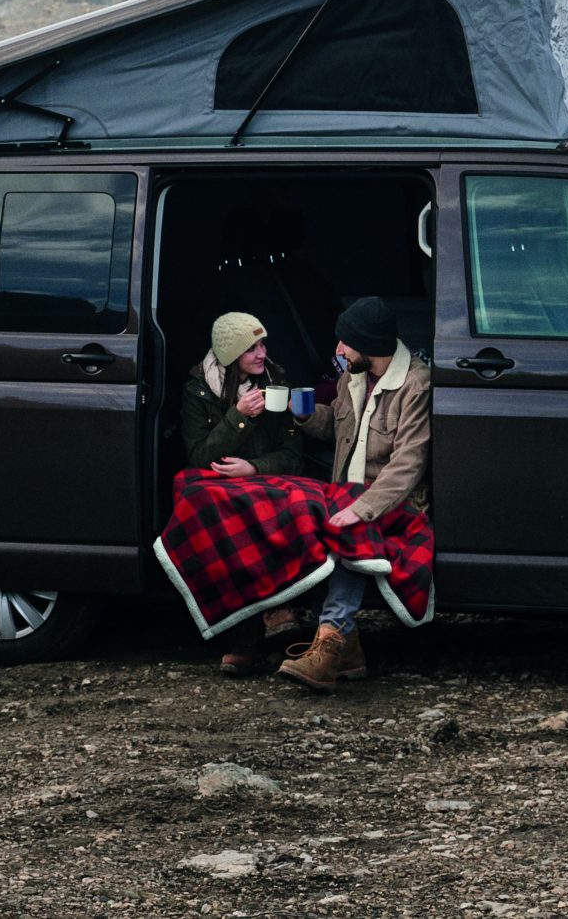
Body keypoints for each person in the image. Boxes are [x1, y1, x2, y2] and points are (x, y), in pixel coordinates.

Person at [281, 295, 430, 692]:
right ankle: (347, 649)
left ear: (369, 345)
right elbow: (339, 426)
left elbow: (408, 464)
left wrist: (362, 508)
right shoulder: (352, 376)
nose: (339, 350)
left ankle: (330, 645)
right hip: (346, 494)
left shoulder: (415, 384)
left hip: (394, 505)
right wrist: (305, 415)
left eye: (345, 342)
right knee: (305, 523)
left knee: (347, 533)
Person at [180, 311, 313, 673]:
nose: (262, 354)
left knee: (280, 509)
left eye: (263, 344)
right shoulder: (197, 391)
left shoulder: (277, 384)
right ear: (231, 353)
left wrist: (254, 467)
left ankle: (272, 614)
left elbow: (293, 454)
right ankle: (246, 633)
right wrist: (238, 416)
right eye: (252, 347)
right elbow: (199, 456)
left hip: (264, 480)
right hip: (220, 484)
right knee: (220, 519)